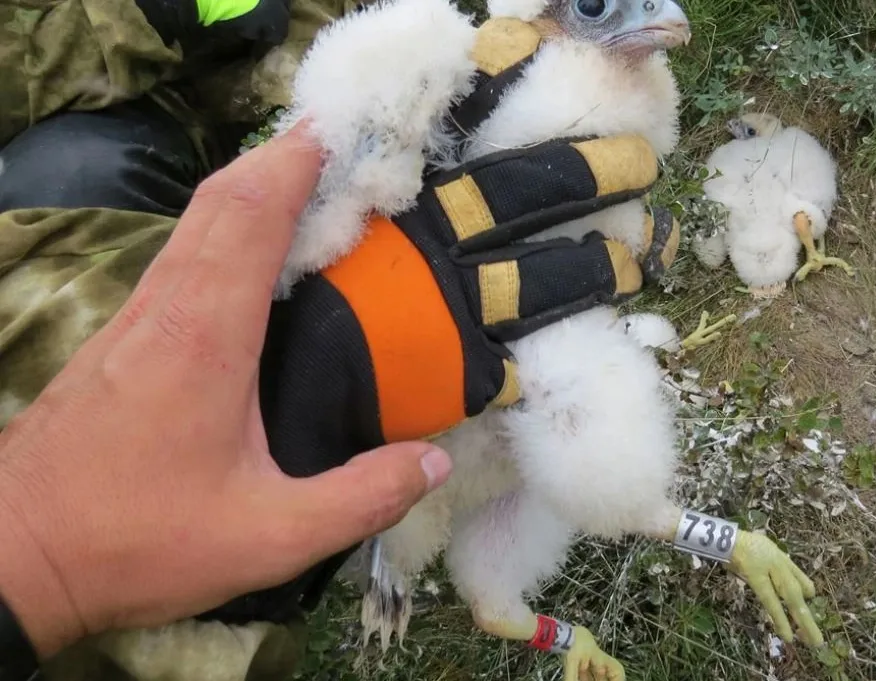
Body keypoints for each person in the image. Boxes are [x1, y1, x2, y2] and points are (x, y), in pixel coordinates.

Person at [0, 1, 679, 679]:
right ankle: (219, 530)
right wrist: (51, 556)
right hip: (92, 173)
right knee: (74, 169)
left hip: (199, 135)